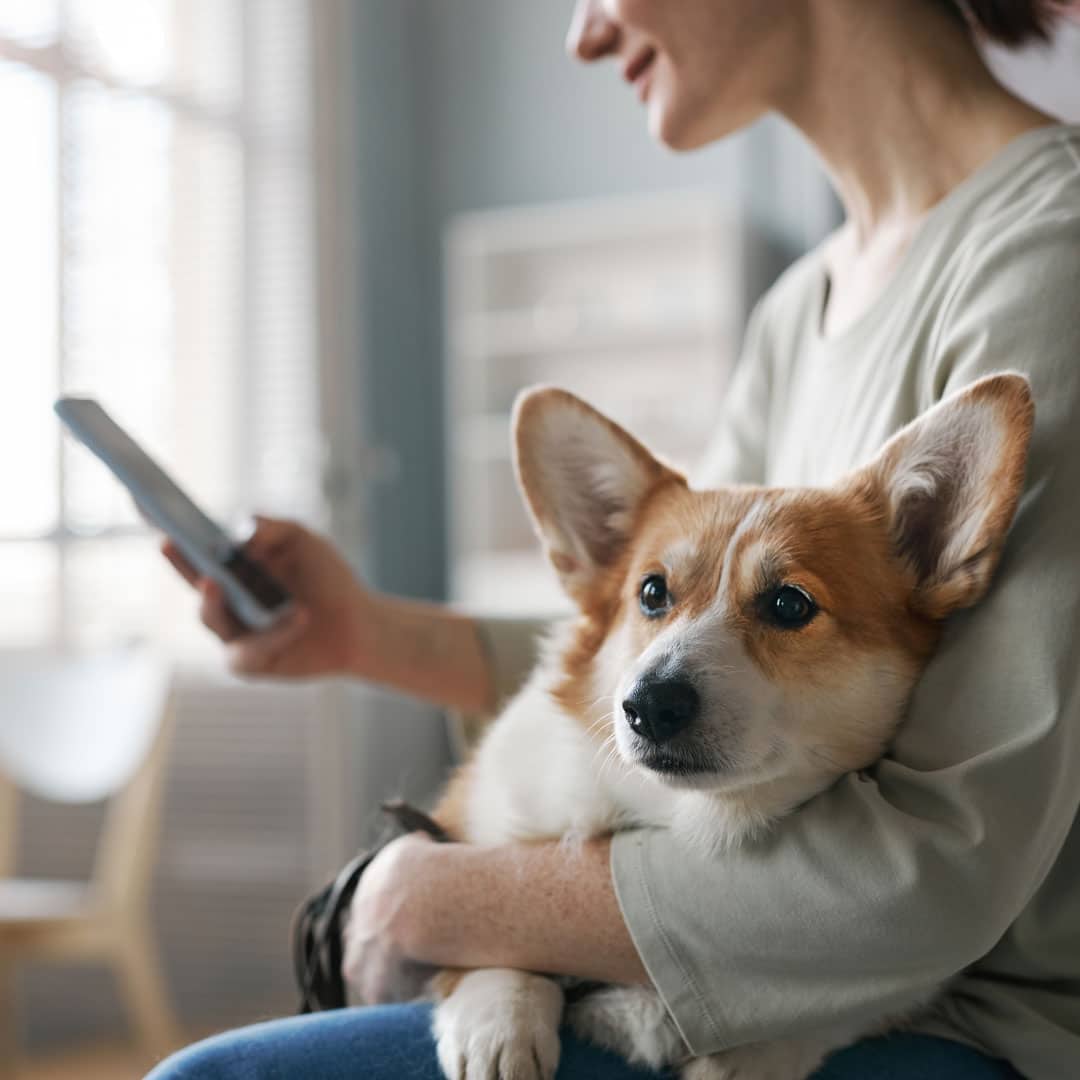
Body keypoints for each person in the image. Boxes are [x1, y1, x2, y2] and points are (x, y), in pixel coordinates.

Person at [148, 1, 1080, 1077]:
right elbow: (648, 641)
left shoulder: (1049, 261)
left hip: (956, 1028)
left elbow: (940, 873)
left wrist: (444, 897)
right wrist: (362, 630)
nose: (582, 34)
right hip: (728, 975)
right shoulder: (801, 309)